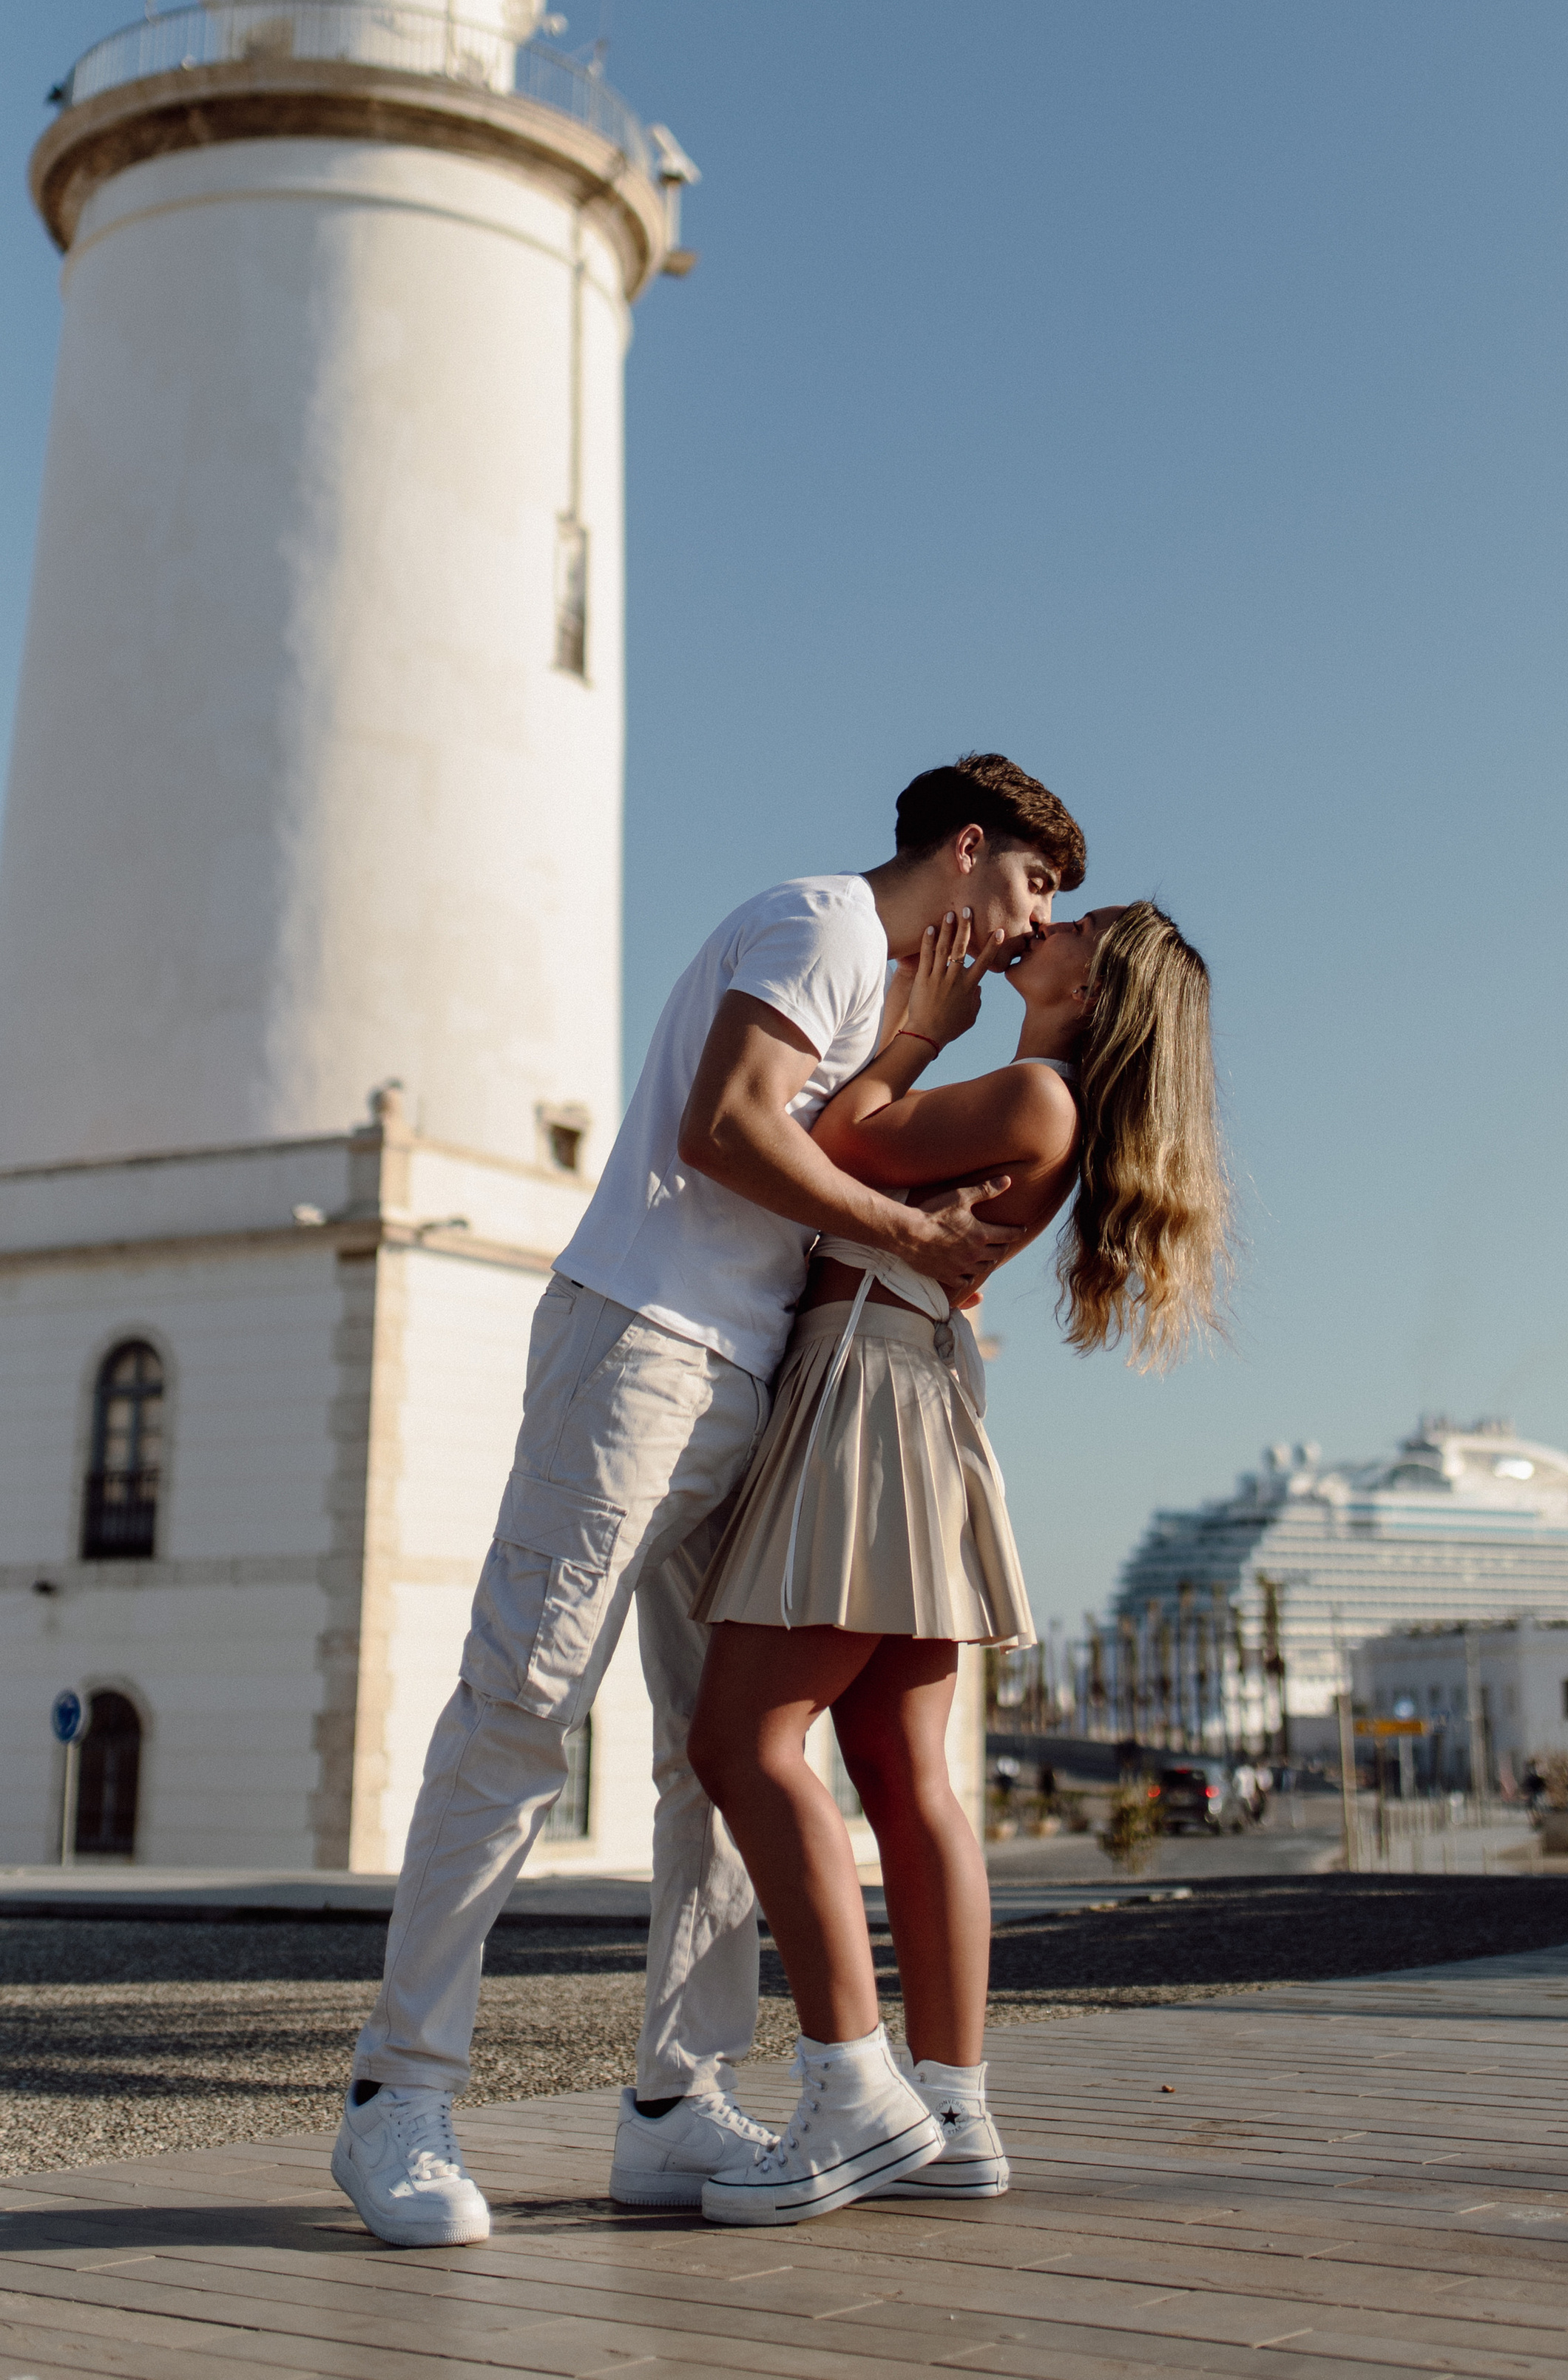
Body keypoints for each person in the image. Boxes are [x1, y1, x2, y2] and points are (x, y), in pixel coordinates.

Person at [331, 755, 1085, 2248]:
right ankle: (395, 2098)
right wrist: (903, 1231)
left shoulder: (894, 995)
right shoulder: (823, 924)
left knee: (716, 1759)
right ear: (967, 846)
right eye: (1034, 883)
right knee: (522, 1708)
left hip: (749, 1379)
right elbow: (726, 1125)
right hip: (644, 1339)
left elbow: (840, 1151)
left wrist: (916, 1102)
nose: (1035, 921)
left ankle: (675, 2102)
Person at [686, 897, 1230, 2225]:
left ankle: (848, 2093)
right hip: (907, 1389)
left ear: (1092, 993)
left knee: (744, 1742)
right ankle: (953, 2106)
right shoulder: (1044, 1101)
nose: (1048, 924)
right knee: (897, 1767)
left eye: (1079, 927)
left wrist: (920, 1030)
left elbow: (826, 1142)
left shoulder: (1035, 1095)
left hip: (866, 1392)